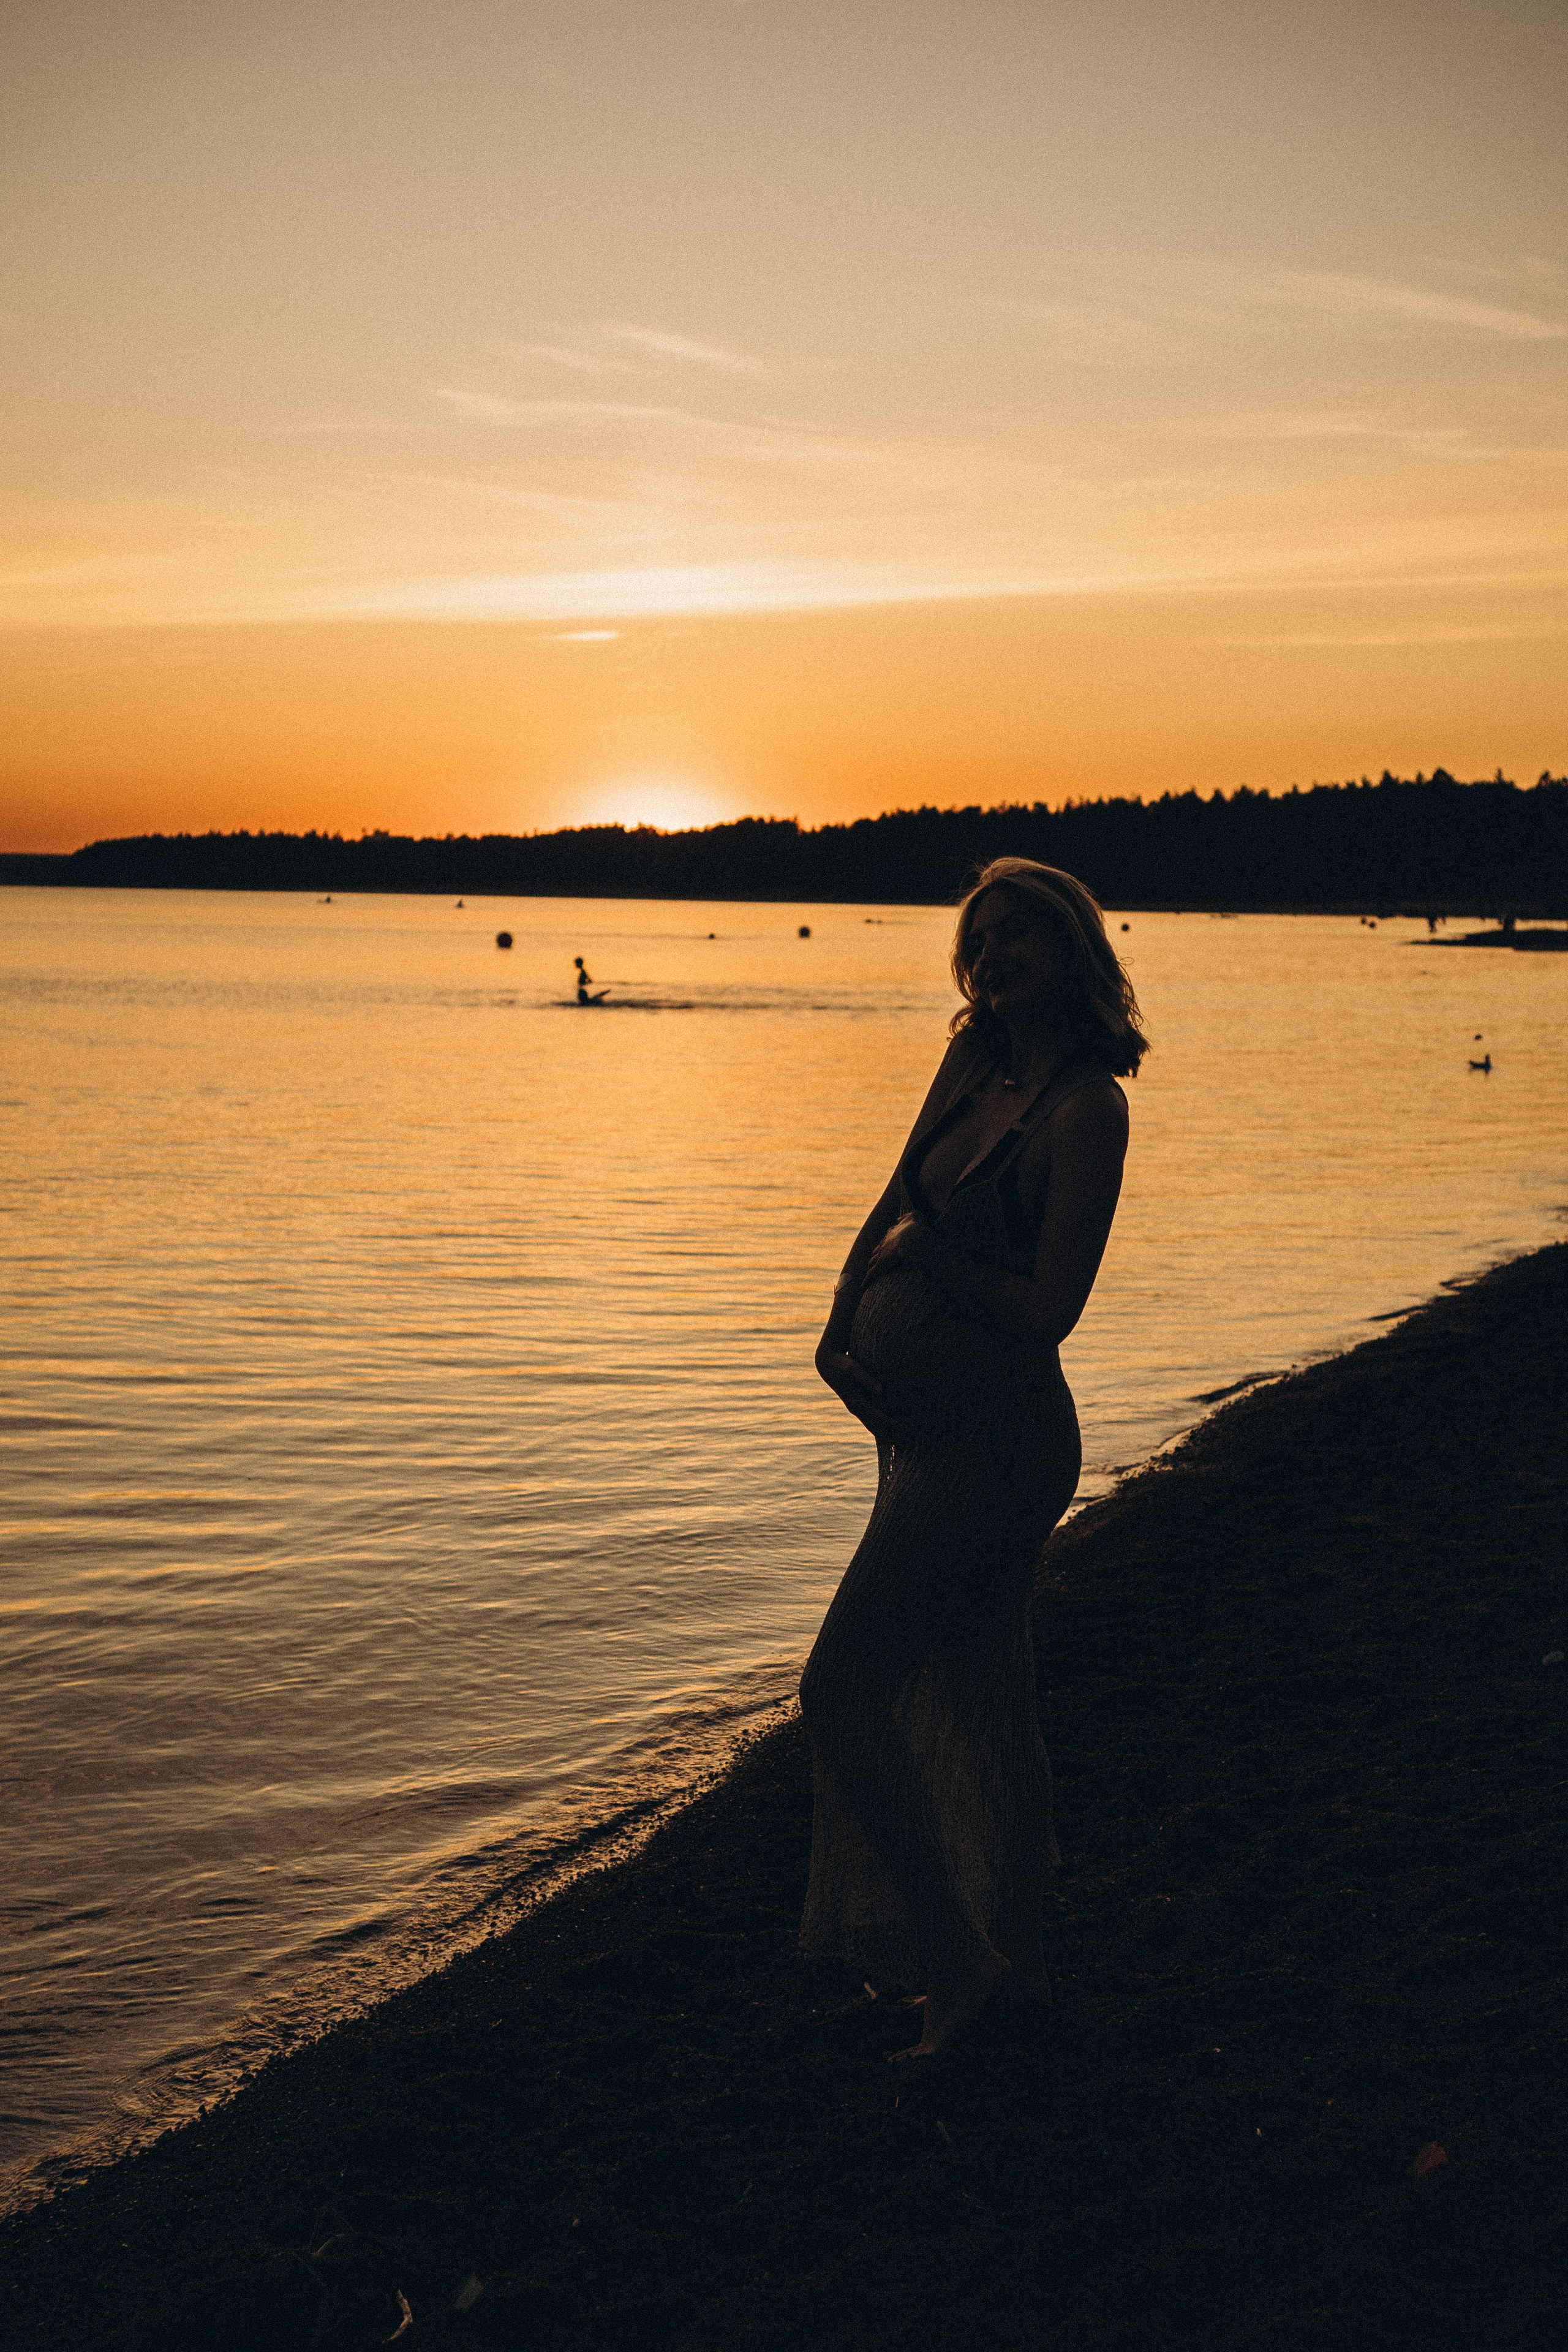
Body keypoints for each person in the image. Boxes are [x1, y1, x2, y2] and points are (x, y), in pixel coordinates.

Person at [799, 857, 1148, 2060]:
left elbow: (1047, 1309)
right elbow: (891, 1196)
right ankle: (1022, 1962)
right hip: (920, 1430)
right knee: (984, 1693)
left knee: (839, 1692)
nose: (991, 955)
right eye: (977, 939)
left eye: (1015, 935)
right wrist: (842, 1318)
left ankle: (958, 1960)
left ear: (1071, 951)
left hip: (1001, 1443)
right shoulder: (968, 1062)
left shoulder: (1085, 1108)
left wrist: (928, 1268)